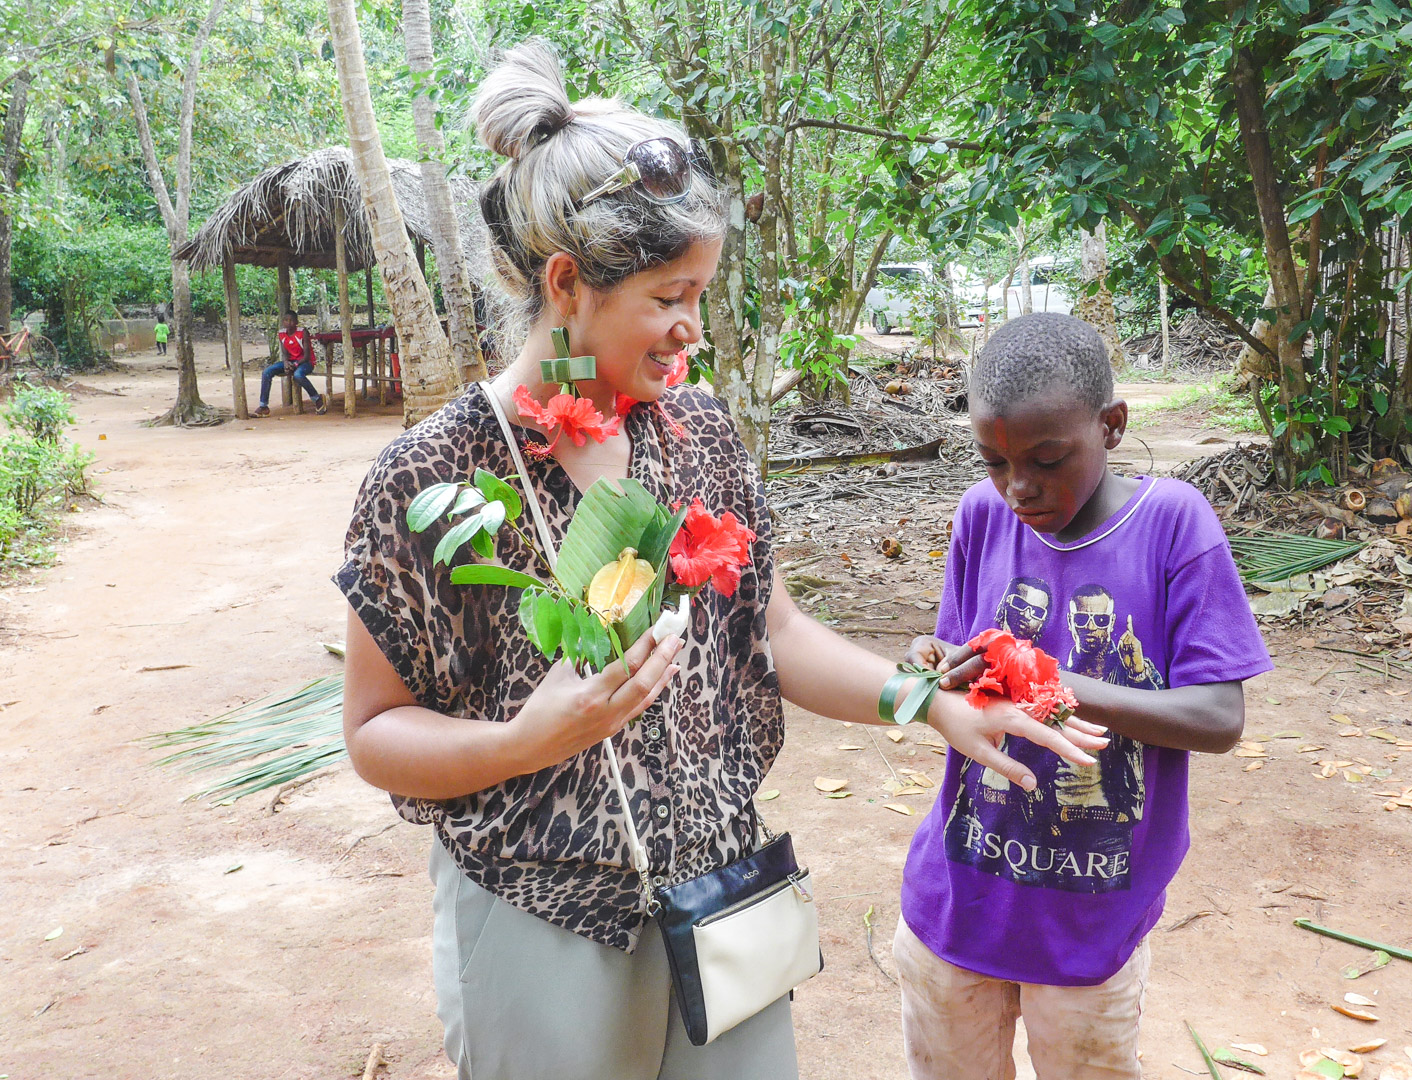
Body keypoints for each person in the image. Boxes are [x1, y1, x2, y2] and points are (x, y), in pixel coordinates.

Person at [333, 41, 1104, 1080]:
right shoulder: (433, 472)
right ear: (568, 283)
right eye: (668, 295)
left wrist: (928, 701)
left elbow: (773, 631)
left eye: (701, 292)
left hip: (720, 888)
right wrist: (525, 741)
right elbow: (376, 732)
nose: (691, 329)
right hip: (538, 913)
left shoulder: (695, 431)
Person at [899, 313, 1273, 1080]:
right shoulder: (981, 515)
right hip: (959, 894)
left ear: (1111, 425)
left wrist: (1058, 684)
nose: (1019, 488)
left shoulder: (1172, 525)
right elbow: (963, 673)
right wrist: (935, 666)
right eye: (995, 462)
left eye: (1047, 458)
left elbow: (1218, 717)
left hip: (1088, 914)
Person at [255, 314, 326, 416]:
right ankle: (263, 406)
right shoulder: (281, 334)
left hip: (306, 363)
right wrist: (286, 363)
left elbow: (306, 356)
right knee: (267, 372)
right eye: (286, 320)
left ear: (296, 322)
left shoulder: (302, 332)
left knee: (298, 375)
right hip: (292, 362)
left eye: (291, 320)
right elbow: (285, 354)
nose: (288, 323)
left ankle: (317, 399)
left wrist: (296, 364)